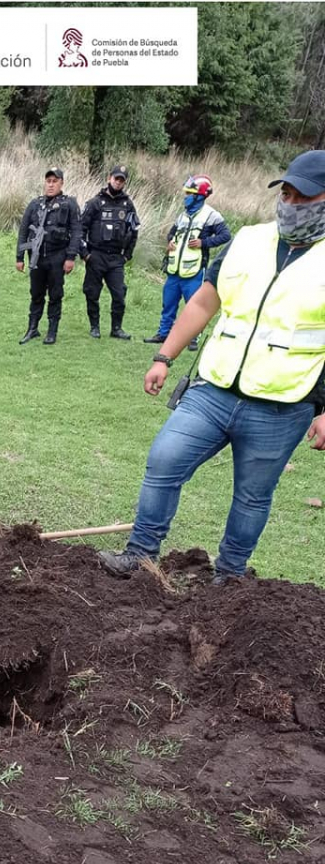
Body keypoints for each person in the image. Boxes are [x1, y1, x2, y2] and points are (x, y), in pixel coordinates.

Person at [99, 150, 325, 584]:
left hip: (281, 405)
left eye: (304, 199)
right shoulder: (250, 240)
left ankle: (229, 577)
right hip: (213, 389)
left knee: (252, 497)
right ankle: (141, 553)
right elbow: (205, 300)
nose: (291, 206)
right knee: (164, 460)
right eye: (288, 194)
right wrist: (164, 356)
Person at [145, 175, 231, 350]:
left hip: (194, 270)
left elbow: (226, 236)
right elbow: (172, 234)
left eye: (189, 193)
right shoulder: (182, 216)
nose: (185, 196)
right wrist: (170, 242)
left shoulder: (211, 216)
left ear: (200, 196)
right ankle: (163, 333)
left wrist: (204, 243)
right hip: (174, 269)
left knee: (194, 304)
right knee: (168, 303)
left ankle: (193, 338)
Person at [16, 167, 82, 346]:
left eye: (55, 181)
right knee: (36, 293)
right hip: (37, 257)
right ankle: (32, 328)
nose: (51, 185)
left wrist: (70, 257)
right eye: (48, 181)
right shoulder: (35, 204)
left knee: (55, 294)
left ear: (61, 183)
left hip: (57, 256)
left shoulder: (69, 204)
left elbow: (77, 232)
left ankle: (52, 331)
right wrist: (20, 257)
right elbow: (23, 230)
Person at [80, 164, 140, 339]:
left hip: (116, 258)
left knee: (119, 294)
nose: (118, 182)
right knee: (92, 292)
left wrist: (127, 255)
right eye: (116, 178)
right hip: (96, 255)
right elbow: (80, 229)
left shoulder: (127, 205)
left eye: (122, 180)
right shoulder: (95, 203)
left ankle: (116, 329)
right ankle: (94, 327)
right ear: (109, 178)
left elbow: (134, 230)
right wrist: (85, 254)